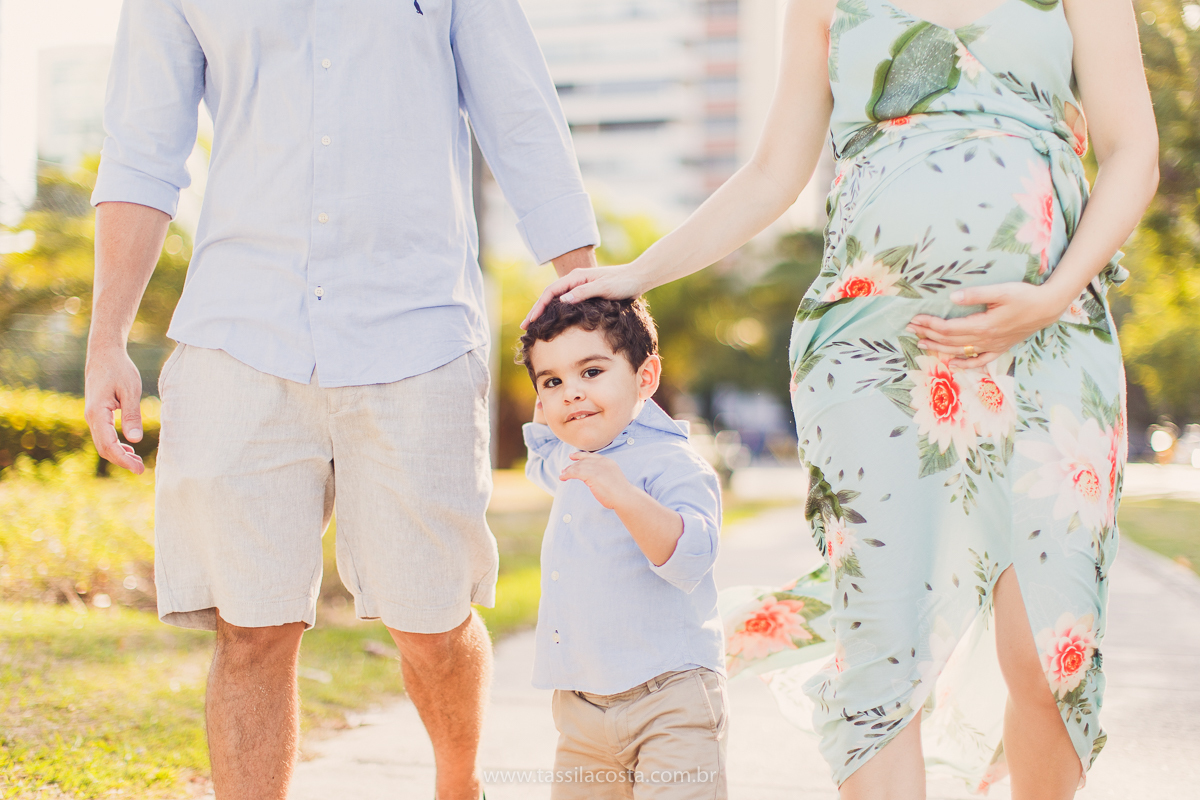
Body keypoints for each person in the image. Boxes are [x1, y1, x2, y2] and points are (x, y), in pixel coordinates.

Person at [522, 0, 1159, 797]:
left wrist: (1058, 292)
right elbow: (772, 175)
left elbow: (1134, 152)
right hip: (872, 357)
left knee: (1048, 642)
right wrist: (636, 275)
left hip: (1053, 339)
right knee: (883, 643)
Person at [82, 1, 601, 798]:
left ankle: (458, 787)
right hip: (238, 329)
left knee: (431, 622)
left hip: (417, 329)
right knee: (248, 626)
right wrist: (106, 334)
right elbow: (143, 152)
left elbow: (521, 119)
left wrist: (590, 310)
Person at [519, 297, 727, 799]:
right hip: (583, 709)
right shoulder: (573, 455)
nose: (572, 393)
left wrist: (626, 499)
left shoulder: (672, 462)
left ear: (645, 377)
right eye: (552, 381)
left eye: (591, 371)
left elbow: (692, 555)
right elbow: (541, 450)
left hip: (670, 699)